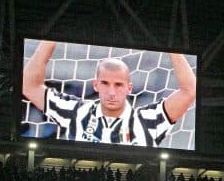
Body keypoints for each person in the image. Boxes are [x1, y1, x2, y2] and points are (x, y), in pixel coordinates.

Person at [22, 40, 196, 146]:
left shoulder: (147, 121)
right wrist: (49, 39)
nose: (111, 92)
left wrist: (173, 47)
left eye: (119, 85)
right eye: (105, 83)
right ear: (96, 85)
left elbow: (189, 91)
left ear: (129, 88)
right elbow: (29, 86)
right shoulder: (76, 111)